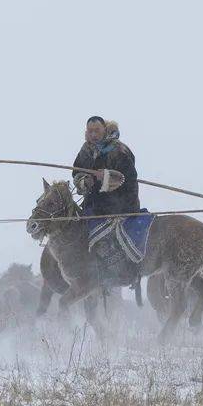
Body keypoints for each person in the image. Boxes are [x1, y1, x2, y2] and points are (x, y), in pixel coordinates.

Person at [72, 116, 143, 286]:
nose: (94, 134)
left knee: (108, 238)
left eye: (97, 130)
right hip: (93, 204)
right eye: (90, 131)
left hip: (120, 204)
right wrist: (84, 181)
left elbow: (129, 178)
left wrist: (106, 177)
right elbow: (76, 172)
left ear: (105, 130)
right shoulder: (85, 150)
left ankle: (118, 271)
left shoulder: (119, 150)